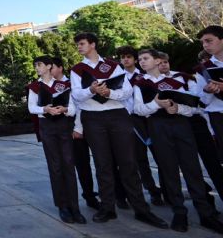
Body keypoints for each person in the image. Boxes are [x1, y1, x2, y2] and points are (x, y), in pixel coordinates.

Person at [70, 32, 167, 228]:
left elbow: (127, 91)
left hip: (117, 115)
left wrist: (109, 92)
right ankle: (108, 208)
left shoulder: (113, 65)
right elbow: (76, 95)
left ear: (93, 44)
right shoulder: (77, 69)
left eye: (82, 43)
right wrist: (92, 90)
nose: (79, 47)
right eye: (78, 44)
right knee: (102, 164)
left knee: (128, 163)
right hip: (93, 118)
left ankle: (141, 209)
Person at [133, 49, 223, 233]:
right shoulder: (140, 83)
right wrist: (156, 104)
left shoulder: (180, 79)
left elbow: (194, 107)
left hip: (182, 125)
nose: (141, 62)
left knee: (192, 169)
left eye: (146, 58)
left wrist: (177, 108)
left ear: (158, 61)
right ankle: (179, 212)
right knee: (169, 169)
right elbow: (138, 109)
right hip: (157, 126)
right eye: (140, 59)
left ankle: (205, 213)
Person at [28, 56, 85, 224]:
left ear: (49, 66)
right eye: (36, 65)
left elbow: (74, 108)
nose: (37, 67)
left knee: (68, 164)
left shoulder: (64, 85)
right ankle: (63, 206)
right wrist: (44, 109)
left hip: (64, 125)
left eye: (39, 64)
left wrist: (65, 109)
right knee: (55, 166)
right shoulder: (35, 87)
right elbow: (31, 108)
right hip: (47, 126)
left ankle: (75, 207)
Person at [163, 52, 223, 209]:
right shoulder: (147, 83)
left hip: (196, 123)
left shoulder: (185, 78)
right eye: (158, 62)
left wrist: (183, 107)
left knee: (213, 164)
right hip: (173, 125)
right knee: (189, 167)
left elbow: (200, 102)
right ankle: (205, 204)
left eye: (164, 62)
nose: (161, 65)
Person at [116, 45, 164, 206]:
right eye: (122, 57)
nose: (125, 60)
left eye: (128, 56)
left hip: (151, 118)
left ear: (135, 59)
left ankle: (169, 189)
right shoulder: (118, 77)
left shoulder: (145, 76)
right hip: (130, 120)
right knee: (139, 159)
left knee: (162, 156)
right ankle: (152, 190)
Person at [51, 57, 99, 210]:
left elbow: (80, 105)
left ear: (60, 68)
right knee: (80, 164)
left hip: (84, 125)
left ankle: (95, 195)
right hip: (66, 130)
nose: (49, 71)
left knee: (100, 161)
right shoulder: (47, 86)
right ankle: (88, 196)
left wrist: (78, 127)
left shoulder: (71, 84)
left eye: (51, 67)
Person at [195, 26, 223, 152]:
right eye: (203, 42)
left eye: (209, 41)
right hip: (219, 116)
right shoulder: (203, 68)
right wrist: (207, 91)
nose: (205, 45)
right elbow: (203, 100)